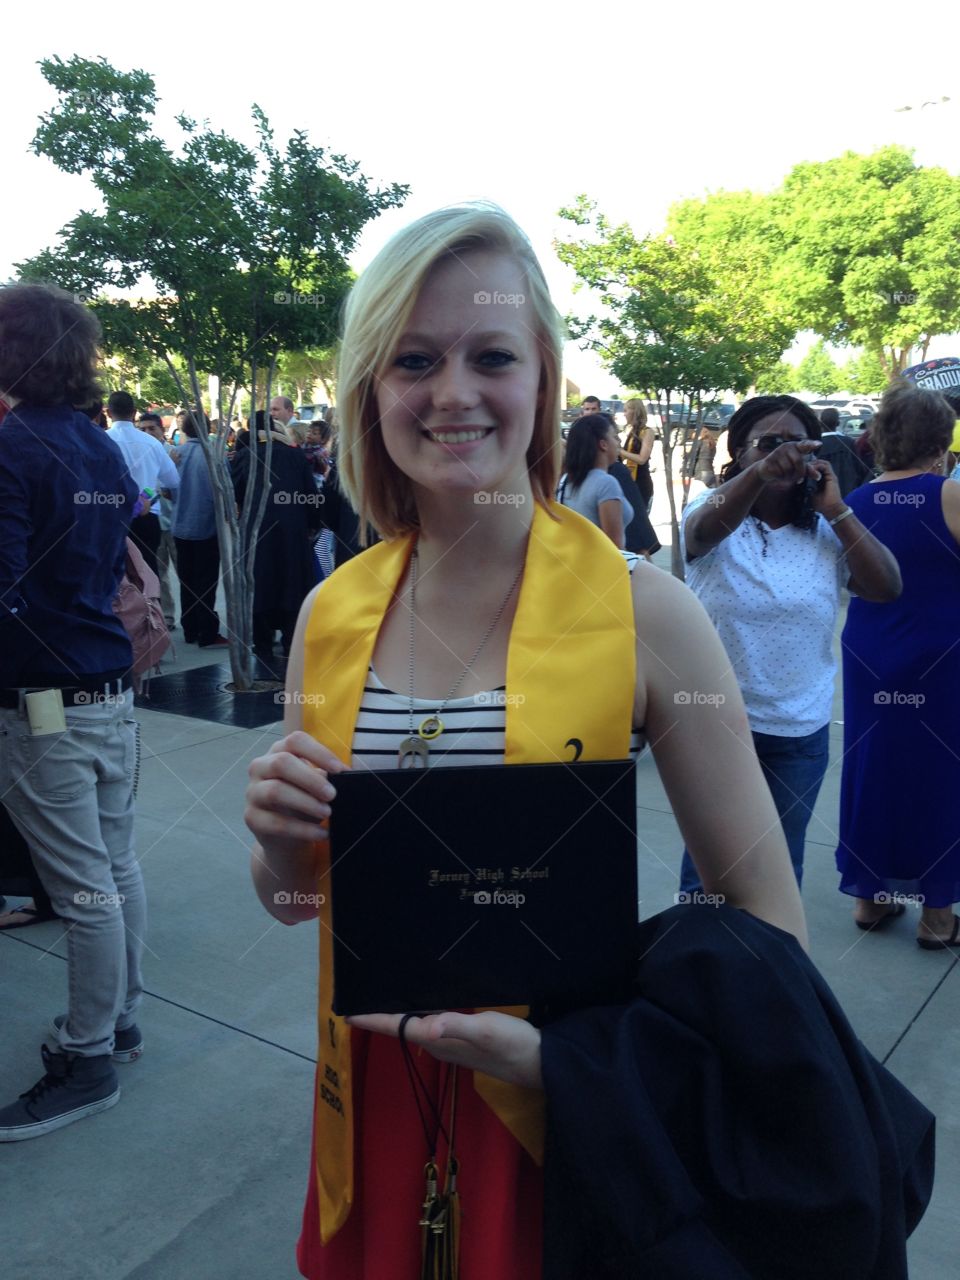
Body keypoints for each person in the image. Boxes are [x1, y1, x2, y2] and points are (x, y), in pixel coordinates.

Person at [241, 206, 898, 1279]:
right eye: (414, 358)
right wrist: (277, 848)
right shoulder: (332, 613)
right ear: (371, 387)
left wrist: (571, 1064)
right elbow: (297, 899)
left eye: (490, 355)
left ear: (543, 378)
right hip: (371, 1102)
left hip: (569, 1123)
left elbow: (770, 927)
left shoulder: (648, 612)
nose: (452, 392)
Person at [0, 284, 146, 1140]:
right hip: (107, 689)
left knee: (86, 885)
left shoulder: (11, 447)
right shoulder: (100, 449)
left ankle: (88, 1055)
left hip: (45, 703)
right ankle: (117, 1022)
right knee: (117, 868)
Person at [678, 394, 901, 891]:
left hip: (799, 732)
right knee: (711, 869)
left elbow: (887, 587)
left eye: (795, 444)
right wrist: (757, 475)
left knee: (778, 869)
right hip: (718, 724)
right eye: (768, 443)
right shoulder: (709, 511)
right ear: (737, 452)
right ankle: (700, 967)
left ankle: (771, 964)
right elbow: (699, 532)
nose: (783, 455)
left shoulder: (825, 531)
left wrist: (838, 509)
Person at [835, 381, 960, 945]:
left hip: (869, 654)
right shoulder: (949, 495)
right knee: (940, 775)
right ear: (939, 443)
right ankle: (937, 915)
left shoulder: (851, 504)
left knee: (873, 768)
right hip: (941, 656)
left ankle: (870, 896)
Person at [232, 409, 322, 667]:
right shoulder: (295, 456)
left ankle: (262, 644)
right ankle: (291, 641)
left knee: (260, 584)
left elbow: (233, 494)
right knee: (292, 584)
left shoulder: (244, 457)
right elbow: (311, 494)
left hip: (256, 532)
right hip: (292, 533)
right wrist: (313, 524)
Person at [106, 391, 180, 577]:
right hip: (147, 517)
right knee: (148, 574)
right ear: (134, 413)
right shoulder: (152, 444)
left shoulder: (101, 440)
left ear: (108, 413)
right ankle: (150, 606)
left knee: (116, 576)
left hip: (112, 517)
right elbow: (173, 481)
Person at [171, 411, 228, 647]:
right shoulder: (214, 455)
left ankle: (190, 628)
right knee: (206, 581)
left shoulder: (176, 454)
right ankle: (207, 631)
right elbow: (225, 490)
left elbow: (165, 487)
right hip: (206, 527)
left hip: (180, 525)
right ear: (207, 428)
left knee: (186, 579)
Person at [557, 413, 632, 547]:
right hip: (602, 565)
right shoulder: (606, 484)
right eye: (614, 437)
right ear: (603, 444)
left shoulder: (566, 480)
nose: (618, 442)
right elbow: (614, 548)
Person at [138, 412, 179, 628]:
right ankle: (167, 616)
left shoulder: (173, 453)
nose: (147, 433)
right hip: (153, 522)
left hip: (176, 523)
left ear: (162, 430)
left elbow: (177, 487)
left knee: (185, 573)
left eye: (151, 428)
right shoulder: (140, 454)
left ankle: (194, 619)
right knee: (159, 573)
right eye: (142, 429)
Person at [817, 407, 872, 497]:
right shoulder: (849, 442)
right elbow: (859, 469)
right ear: (838, 423)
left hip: (824, 496)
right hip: (848, 494)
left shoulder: (817, 444)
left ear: (820, 423)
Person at [618, 398, 656, 511]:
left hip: (642, 483)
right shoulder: (631, 431)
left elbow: (642, 459)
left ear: (635, 411)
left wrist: (619, 451)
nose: (624, 414)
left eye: (626, 410)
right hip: (631, 482)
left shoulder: (647, 432)